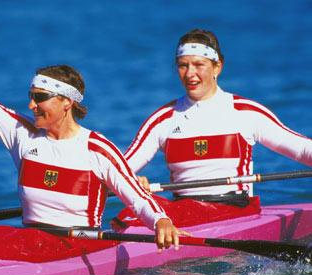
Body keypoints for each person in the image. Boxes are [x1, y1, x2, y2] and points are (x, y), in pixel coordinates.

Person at [0, 12, 188, 259]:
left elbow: (137, 199)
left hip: (82, 247)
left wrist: (160, 220)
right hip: (30, 241)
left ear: (67, 102)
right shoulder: (22, 134)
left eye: (39, 98)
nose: (31, 106)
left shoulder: (97, 149)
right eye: (30, 97)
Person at [114, 28, 312, 229]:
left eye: (199, 65)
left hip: (235, 210)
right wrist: (133, 185)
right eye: (183, 66)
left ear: (218, 67)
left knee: (133, 218)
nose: (190, 74)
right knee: (130, 214)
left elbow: (303, 149)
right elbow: (115, 172)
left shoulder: (245, 112)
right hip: (183, 211)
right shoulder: (163, 119)